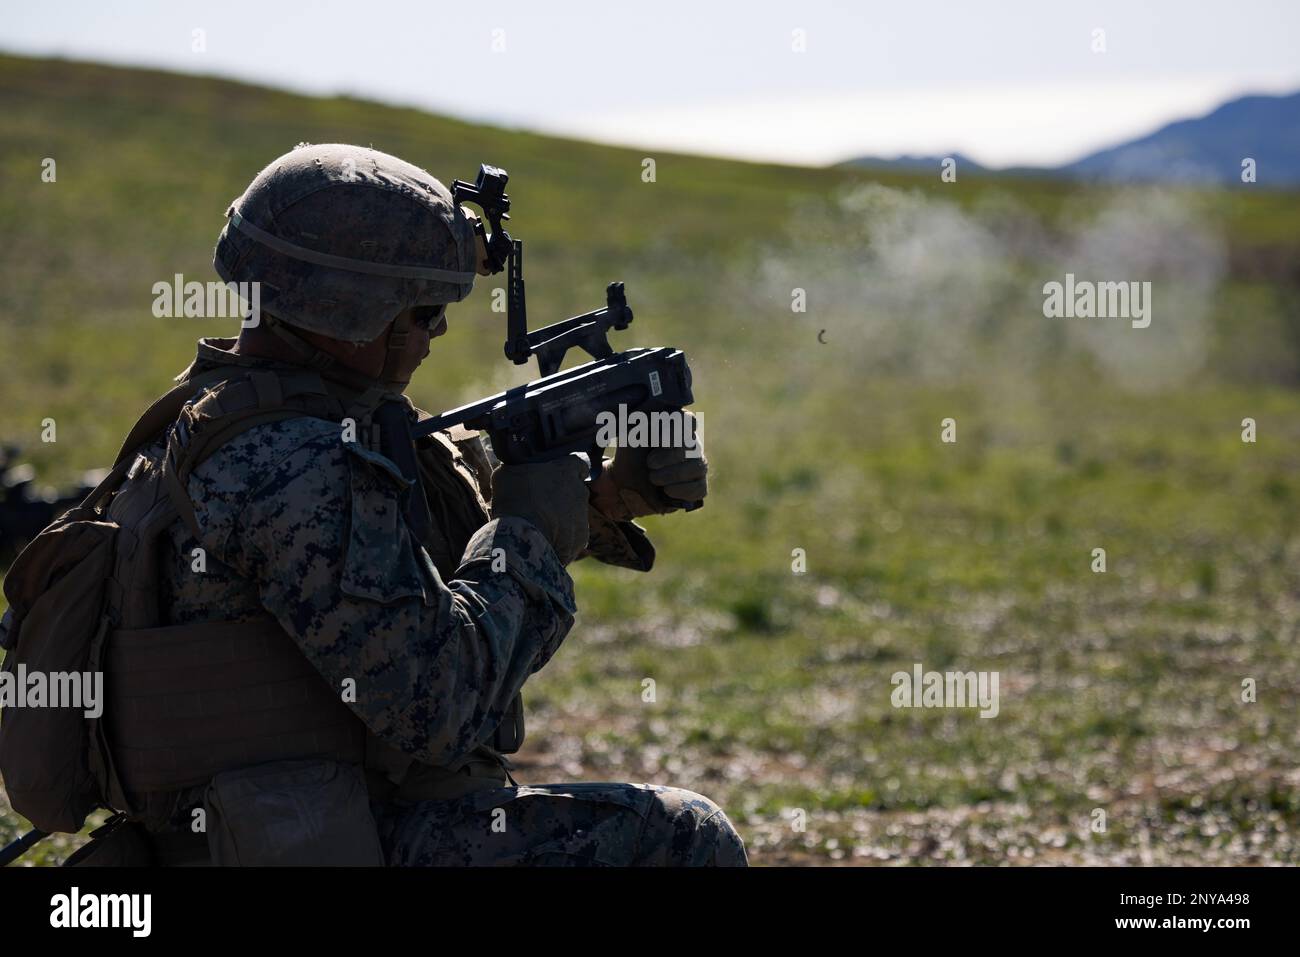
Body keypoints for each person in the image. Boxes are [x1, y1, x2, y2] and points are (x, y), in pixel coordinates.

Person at [98, 143, 746, 866]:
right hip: (293, 840)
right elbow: (439, 704)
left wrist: (601, 502)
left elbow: (398, 575)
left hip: (283, 822)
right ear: (351, 307)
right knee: (684, 838)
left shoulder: (244, 411)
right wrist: (528, 534)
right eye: (426, 307)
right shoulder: (291, 460)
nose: (438, 331)